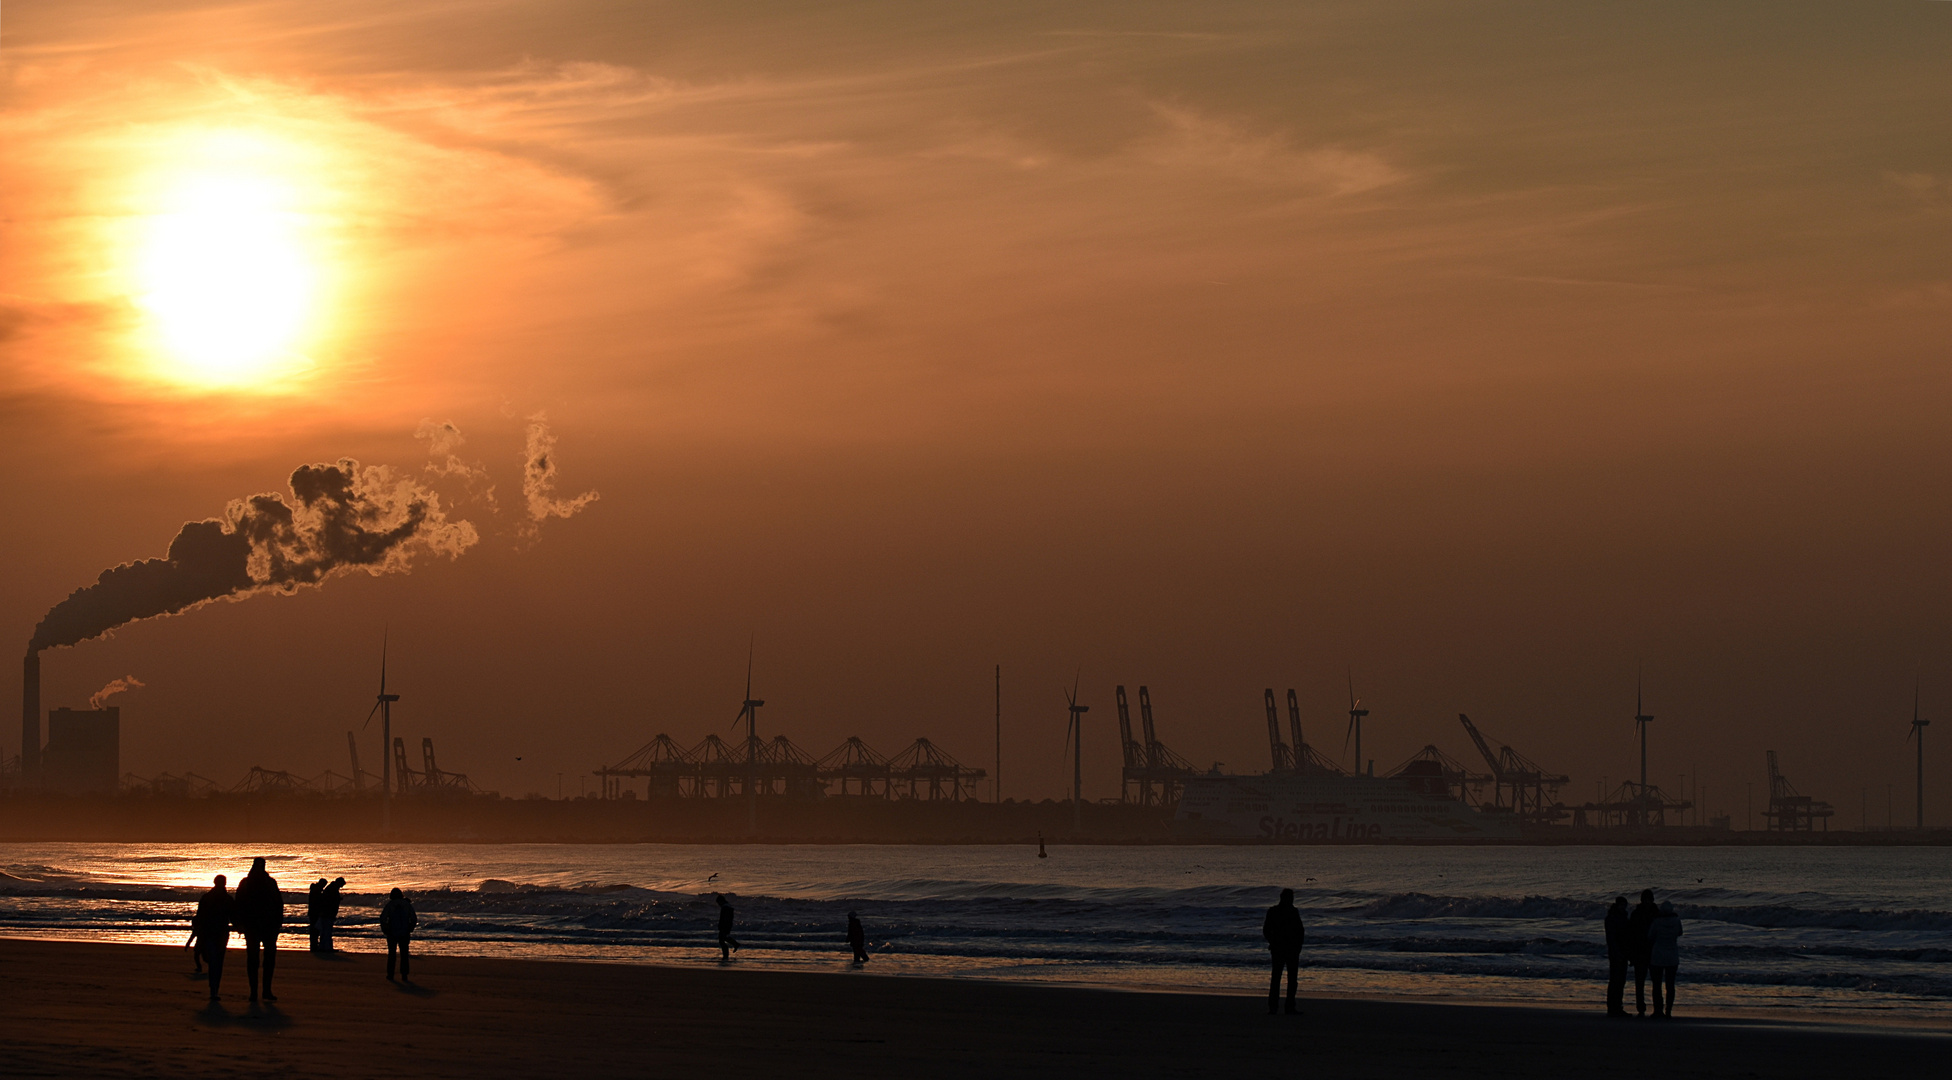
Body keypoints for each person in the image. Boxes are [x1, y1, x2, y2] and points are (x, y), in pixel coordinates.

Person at [232, 856, 284, 1004]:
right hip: (253, 926)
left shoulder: (269, 882)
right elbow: (239, 904)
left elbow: (278, 903)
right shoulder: (247, 883)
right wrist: (239, 923)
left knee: (267, 960)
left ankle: (265, 990)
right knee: (254, 960)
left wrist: (277, 922)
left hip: (267, 927)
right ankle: (254, 992)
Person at [1262, 887, 1306, 1015]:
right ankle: (1288, 1007)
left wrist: (1273, 942)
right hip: (1288, 949)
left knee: (1277, 978)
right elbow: (1300, 931)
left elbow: (1266, 930)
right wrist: (1298, 946)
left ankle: (1275, 1007)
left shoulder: (1274, 911)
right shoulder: (1291, 912)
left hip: (1282, 949)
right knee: (1290, 979)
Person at [192, 874, 232, 1002]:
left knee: (214, 961)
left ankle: (213, 990)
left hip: (211, 933)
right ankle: (214, 990)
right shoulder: (226, 899)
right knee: (217, 962)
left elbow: (199, 917)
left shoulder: (207, 897)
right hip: (217, 933)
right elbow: (234, 916)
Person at [1646, 900, 1684, 1018]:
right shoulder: (1676, 921)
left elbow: (1650, 936)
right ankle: (1668, 1010)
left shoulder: (1657, 922)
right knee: (1670, 985)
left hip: (1657, 955)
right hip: (1672, 956)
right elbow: (1680, 933)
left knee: (1657, 985)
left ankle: (1658, 1010)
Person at [1627, 889, 1659, 1017]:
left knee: (1655, 981)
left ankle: (1657, 1008)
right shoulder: (1638, 914)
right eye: (1646, 899)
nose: (1647, 902)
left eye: (1649, 899)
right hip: (1640, 951)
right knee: (1640, 982)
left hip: (1653, 951)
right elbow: (1631, 935)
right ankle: (1641, 1007)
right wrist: (1631, 954)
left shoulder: (1655, 914)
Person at [380, 887, 417, 981]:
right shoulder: (407, 904)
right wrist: (410, 928)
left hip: (392, 932)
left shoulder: (390, 904)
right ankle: (404, 975)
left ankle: (390, 974)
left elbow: (383, 918)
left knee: (392, 954)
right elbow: (413, 918)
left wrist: (385, 929)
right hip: (404, 932)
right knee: (404, 954)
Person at [1603, 896, 1630, 1016]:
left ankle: (1617, 1007)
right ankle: (1613, 1007)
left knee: (1620, 981)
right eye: (1622, 905)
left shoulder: (1622, 917)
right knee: (1615, 981)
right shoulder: (1612, 918)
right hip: (1616, 953)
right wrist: (1617, 952)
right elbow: (1611, 939)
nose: (1623, 907)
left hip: (1622, 952)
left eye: (1624, 905)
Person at [320, 877, 346, 953]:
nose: (341, 886)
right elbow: (330, 901)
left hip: (327, 912)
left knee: (325, 931)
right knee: (327, 931)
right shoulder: (333, 889)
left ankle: (324, 947)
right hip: (328, 913)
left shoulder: (331, 888)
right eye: (341, 884)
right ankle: (327, 947)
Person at [715, 893, 740, 960]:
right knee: (724, 938)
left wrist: (721, 925)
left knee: (721, 940)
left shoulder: (725, 907)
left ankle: (726, 955)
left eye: (719, 903)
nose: (719, 905)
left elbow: (723, 918)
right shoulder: (728, 907)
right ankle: (735, 944)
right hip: (728, 925)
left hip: (725, 925)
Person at [307, 878, 326, 953]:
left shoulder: (315, 890)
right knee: (315, 929)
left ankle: (314, 945)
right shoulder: (316, 891)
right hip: (315, 912)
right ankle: (314, 945)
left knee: (314, 929)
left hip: (313, 912)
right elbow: (317, 903)